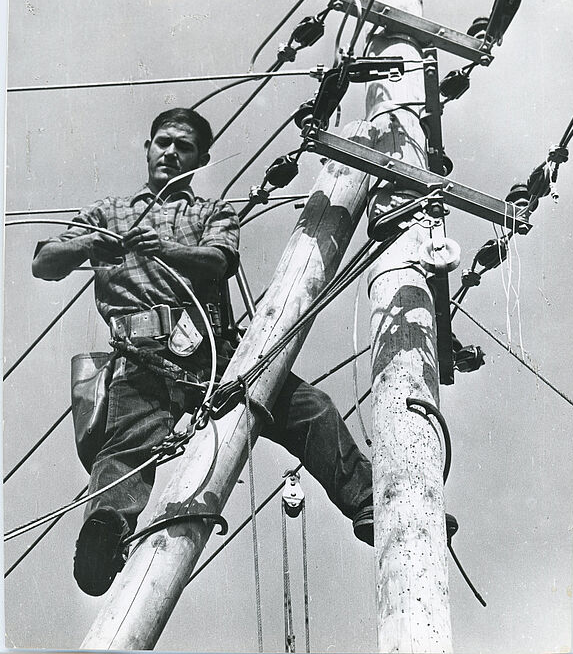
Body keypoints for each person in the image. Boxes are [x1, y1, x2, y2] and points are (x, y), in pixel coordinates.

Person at [32, 107, 374, 597]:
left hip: (214, 353)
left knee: (311, 410)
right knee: (124, 451)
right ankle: (103, 536)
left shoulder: (211, 213)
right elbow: (45, 262)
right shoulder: (107, 213)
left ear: (200, 160)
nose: (170, 153)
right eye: (162, 143)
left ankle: (367, 506)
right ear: (148, 148)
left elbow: (219, 261)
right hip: (141, 359)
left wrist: (162, 251)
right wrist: (93, 244)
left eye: (183, 147)